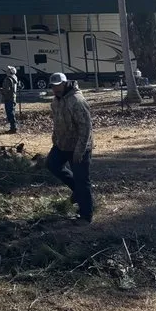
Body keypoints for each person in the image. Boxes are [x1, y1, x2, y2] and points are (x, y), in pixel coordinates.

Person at [46, 71, 93, 223]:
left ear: (65, 83)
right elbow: (57, 122)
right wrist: (55, 139)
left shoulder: (77, 100)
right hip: (62, 145)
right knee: (52, 164)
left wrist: (80, 151)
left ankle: (86, 216)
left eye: (58, 85)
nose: (56, 89)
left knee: (82, 180)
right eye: (53, 86)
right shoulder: (56, 101)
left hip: (79, 146)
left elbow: (85, 128)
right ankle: (77, 191)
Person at [1, 65, 20, 133]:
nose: (6, 70)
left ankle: (13, 128)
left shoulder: (8, 79)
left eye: (8, 70)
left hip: (8, 98)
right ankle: (13, 127)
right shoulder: (14, 78)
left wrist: (1, 91)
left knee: (10, 113)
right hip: (12, 98)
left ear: (10, 72)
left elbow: (7, 90)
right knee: (12, 112)